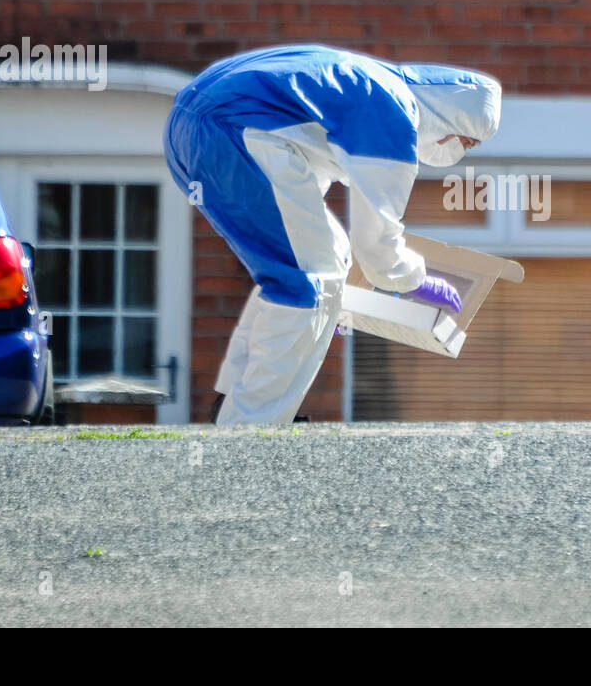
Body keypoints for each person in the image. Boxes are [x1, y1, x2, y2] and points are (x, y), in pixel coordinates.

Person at [163, 44, 501, 425]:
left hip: (191, 129)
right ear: (449, 116)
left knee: (302, 268)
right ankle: (249, 431)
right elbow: (378, 243)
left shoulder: (368, 83)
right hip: (234, 133)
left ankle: (231, 406)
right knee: (310, 282)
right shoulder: (394, 113)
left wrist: (337, 301)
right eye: (466, 140)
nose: (462, 151)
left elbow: (302, 184)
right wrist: (416, 280)